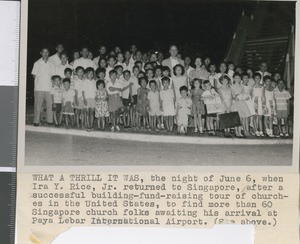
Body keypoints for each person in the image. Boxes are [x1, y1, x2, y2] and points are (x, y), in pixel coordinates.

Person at [31, 47, 55, 126]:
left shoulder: (51, 64)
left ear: (49, 53)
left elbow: (53, 76)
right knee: (38, 105)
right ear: (41, 53)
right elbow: (34, 75)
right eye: (43, 52)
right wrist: (39, 82)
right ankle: (36, 121)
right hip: (39, 88)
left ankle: (50, 121)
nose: (45, 54)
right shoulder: (37, 63)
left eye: (47, 52)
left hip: (49, 88)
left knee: (50, 105)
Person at [231, 73, 251, 137]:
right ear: (233, 78)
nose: (237, 79)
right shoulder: (232, 86)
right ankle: (236, 131)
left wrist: (245, 97)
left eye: (239, 78)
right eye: (236, 78)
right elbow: (232, 94)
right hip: (236, 102)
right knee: (237, 117)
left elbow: (243, 93)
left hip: (242, 103)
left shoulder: (241, 86)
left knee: (242, 118)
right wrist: (235, 97)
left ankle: (242, 131)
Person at [252, 72, 265, 137]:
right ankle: (255, 130)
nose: (257, 79)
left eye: (259, 78)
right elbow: (251, 95)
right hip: (254, 102)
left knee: (260, 117)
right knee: (255, 117)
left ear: (260, 78)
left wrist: (263, 104)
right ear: (254, 79)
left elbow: (263, 95)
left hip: (260, 102)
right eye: (256, 78)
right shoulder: (252, 86)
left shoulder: (262, 86)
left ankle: (261, 131)